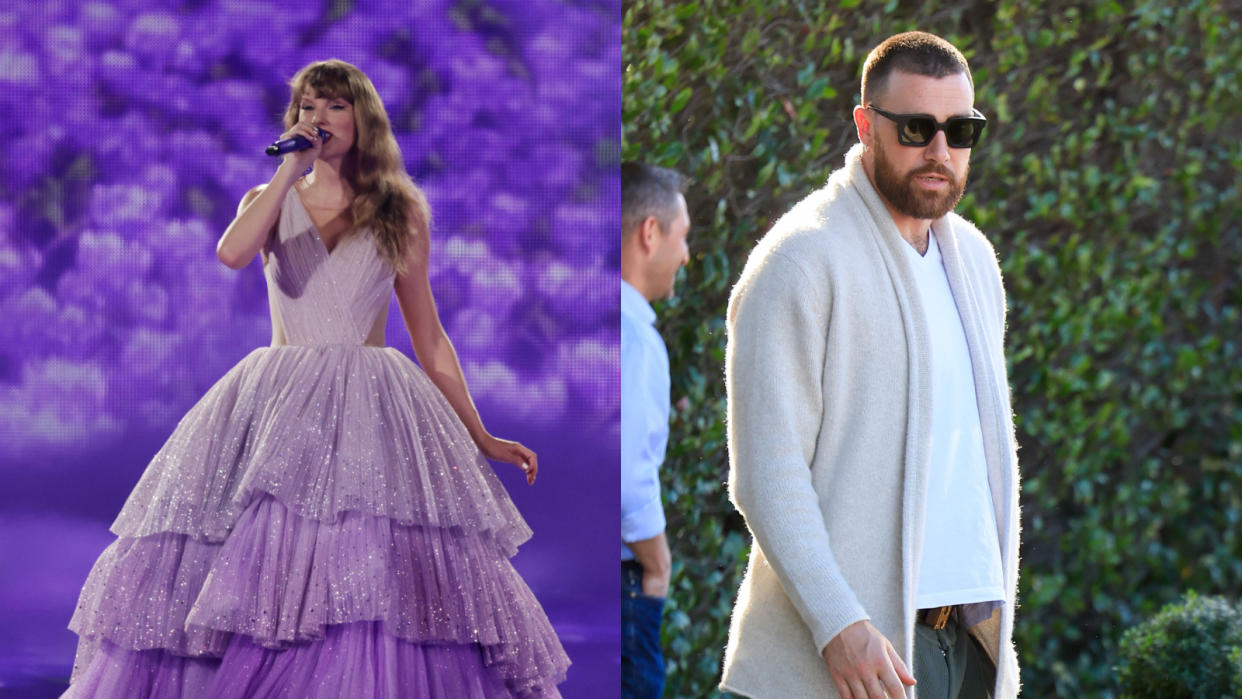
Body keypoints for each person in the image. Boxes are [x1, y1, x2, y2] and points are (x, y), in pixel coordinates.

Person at [62, 59, 570, 698]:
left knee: (369, 567)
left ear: (362, 119)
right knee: (260, 553)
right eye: (307, 107)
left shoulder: (399, 210)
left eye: (333, 107)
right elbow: (231, 254)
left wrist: (483, 436)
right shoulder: (270, 199)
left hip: (372, 403)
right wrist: (286, 172)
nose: (318, 119)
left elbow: (430, 337)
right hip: (277, 402)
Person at [720, 32, 1020, 699]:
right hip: (842, 659)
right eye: (916, 128)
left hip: (967, 649)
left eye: (960, 130)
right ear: (865, 125)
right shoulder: (800, 262)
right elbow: (768, 474)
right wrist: (839, 622)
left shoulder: (974, 261)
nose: (939, 151)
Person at [619, 162, 690, 698]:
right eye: (681, 236)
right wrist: (657, 564)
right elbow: (624, 477)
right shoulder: (635, 339)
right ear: (650, 232)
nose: (685, 256)